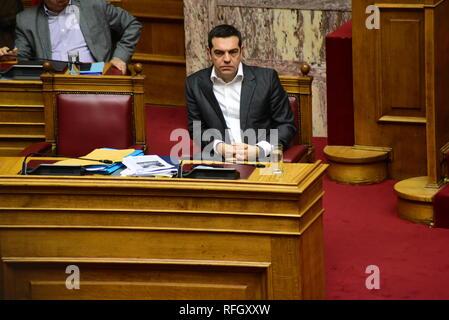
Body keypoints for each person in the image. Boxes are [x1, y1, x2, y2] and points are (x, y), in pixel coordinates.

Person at [185, 24, 296, 161]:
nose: (227, 59)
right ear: (209, 53)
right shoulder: (194, 84)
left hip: (261, 159)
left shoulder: (267, 79)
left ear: (241, 51)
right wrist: (219, 147)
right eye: (219, 53)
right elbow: (196, 129)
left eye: (233, 52)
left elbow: (286, 125)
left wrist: (259, 149)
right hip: (219, 160)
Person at [0, 0, 141, 74]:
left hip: (95, 75)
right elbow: (23, 57)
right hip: (53, 81)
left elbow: (132, 25)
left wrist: (120, 56)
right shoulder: (26, 19)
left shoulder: (94, 5)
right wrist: (10, 56)